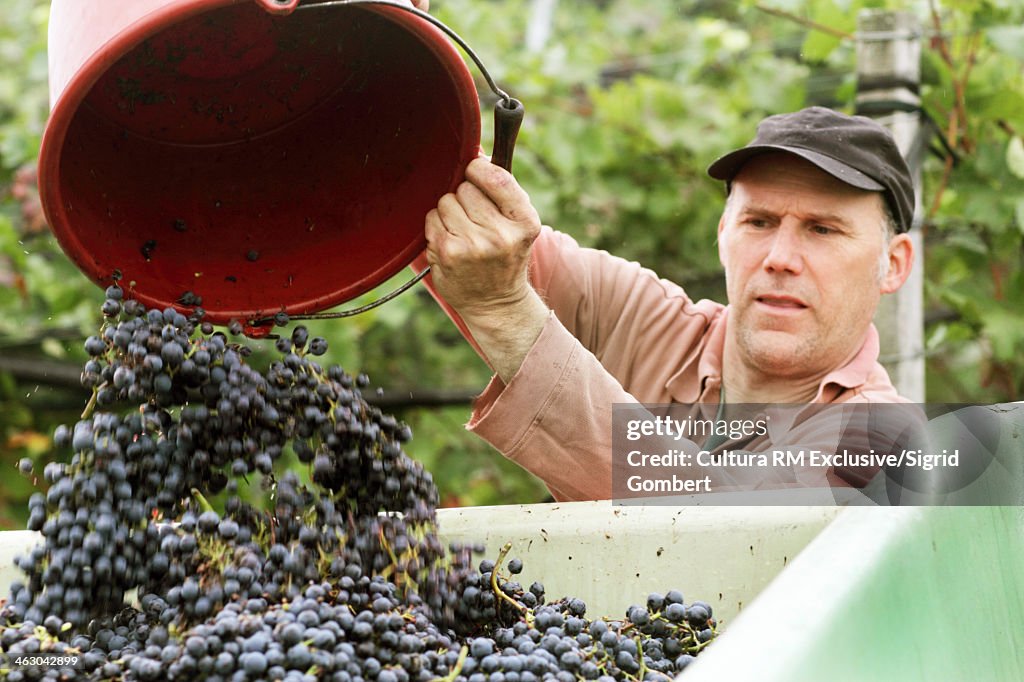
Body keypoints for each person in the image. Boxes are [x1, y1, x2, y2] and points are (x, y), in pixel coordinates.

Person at [414, 106, 916, 502]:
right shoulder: (641, 322)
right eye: (758, 222)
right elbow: (452, 213)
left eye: (823, 230)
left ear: (893, 264)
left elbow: (714, 535)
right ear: (723, 234)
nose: (780, 258)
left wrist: (505, 311)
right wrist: (396, 57)